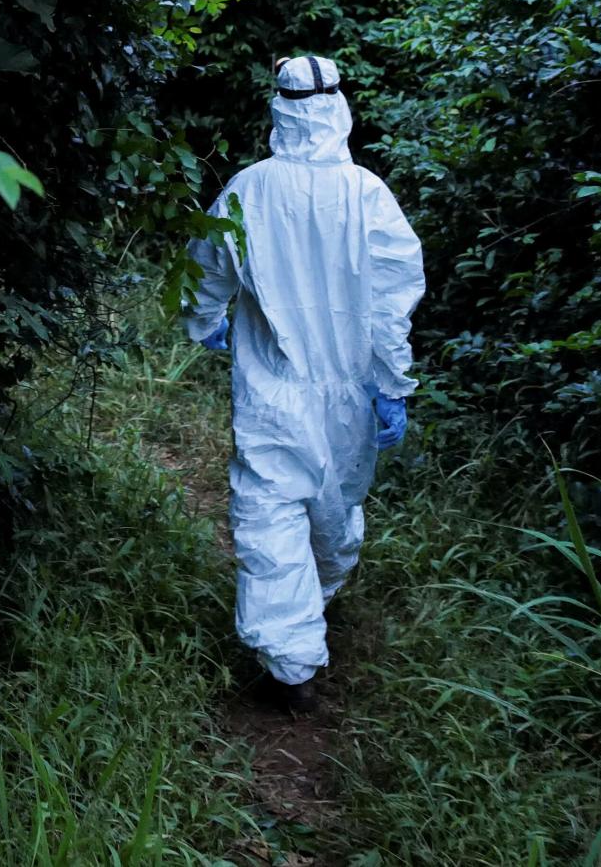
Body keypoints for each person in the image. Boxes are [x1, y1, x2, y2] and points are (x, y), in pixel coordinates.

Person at [183, 54, 428, 713]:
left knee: (307, 512)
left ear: (280, 113)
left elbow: (207, 266)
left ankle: (300, 622)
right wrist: (392, 383)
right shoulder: (368, 194)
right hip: (348, 389)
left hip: (273, 383)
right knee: (292, 510)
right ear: (338, 110)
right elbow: (391, 297)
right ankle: (293, 668)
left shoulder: (249, 189)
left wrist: (205, 321)